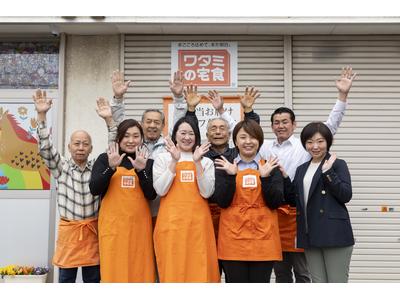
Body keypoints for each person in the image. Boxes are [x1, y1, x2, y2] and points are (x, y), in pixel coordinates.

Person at [259, 66, 357, 283]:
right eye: (276, 122)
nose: (314, 146)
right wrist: (284, 177)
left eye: (285, 121)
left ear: (294, 124)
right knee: (299, 277)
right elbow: (245, 139)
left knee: (319, 278)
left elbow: (329, 126)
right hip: (292, 221)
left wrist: (342, 96)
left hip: (320, 224)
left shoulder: (322, 156)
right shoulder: (267, 148)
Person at [34, 89, 100, 283]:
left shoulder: (97, 167)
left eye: (85, 144)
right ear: (69, 146)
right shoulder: (61, 166)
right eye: (77, 143)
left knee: (93, 282)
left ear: (91, 148)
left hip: (92, 233)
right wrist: (41, 115)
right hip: (69, 234)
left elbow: (114, 148)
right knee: (65, 282)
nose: (80, 147)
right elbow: (45, 148)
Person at [108, 70, 186, 226]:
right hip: (132, 211)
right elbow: (118, 127)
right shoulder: (130, 145)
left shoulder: (169, 146)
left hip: (163, 212)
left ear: (163, 126)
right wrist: (118, 98)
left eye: (157, 122)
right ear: (141, 123)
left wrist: (178, 98)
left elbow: (180, 122)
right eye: (148, 121)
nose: (152, 125)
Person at [211, 119, 285, 283]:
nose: (248, 142)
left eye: (252, 137)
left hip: (263, 240)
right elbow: (222, 202)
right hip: (233, 240)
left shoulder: (271, 166)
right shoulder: (225, 166)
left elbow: (275, 202)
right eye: (243, 137)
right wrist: (231, 176)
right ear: (235, 141)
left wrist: (265, 178)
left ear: (259, 141)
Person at [283, 122, 354, 283]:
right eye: (309, 142)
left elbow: (345, 195)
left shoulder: (337, 164)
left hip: (334, 234)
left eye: (320, 141)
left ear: (328, 142)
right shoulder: (302, 168)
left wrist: (328, 173)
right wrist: (285, 178)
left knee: (336, 282)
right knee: (317, 283)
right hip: (309, 235)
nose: (315, 146)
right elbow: (294, 200)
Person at [152, 117, 220, 282]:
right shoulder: (163, 158)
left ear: (196, 137)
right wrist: (174, 161)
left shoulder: (206, 161)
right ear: (175, 135)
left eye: (191, 133)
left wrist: (197, 163)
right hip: (171, 225)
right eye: (183, 133)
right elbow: (160, 189)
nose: (187, 137)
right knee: (172, 270)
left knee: (200, 269)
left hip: (199, 227)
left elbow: (206, 193)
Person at [90, 119, 157, 282]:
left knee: (139, 271)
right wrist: (111, 168)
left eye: (136, 136)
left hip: (139, 230)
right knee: (114, 271)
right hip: (113, 229)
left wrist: (141, 171)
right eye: (126, 136)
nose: (131, 140)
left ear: (142, 139)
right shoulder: (105, 159)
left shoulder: (148, 163)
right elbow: (94, 188)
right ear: (119, 138)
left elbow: (151, 194)